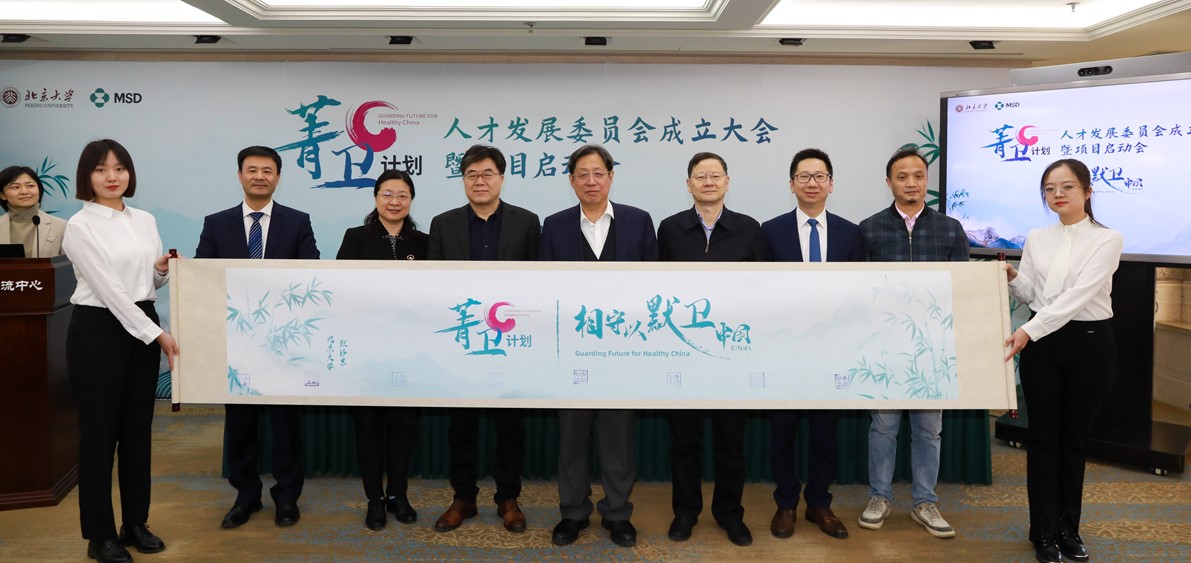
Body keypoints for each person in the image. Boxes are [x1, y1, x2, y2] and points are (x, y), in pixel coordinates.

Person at [61, 139, 179, 563]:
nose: (112, 177)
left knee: (136, 433)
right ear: (87, 176)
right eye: (101, 169)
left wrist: (160, 271)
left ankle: (135, 524)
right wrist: (158, 334)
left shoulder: (145, 219)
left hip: (141, 321)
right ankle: (99, 536)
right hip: (99, 330)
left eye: (119, 168)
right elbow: (110, 291)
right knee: (99, 436)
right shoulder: (79, 226)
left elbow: (145, 284)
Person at [1003, 158, 1121, 563]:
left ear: (1087, 191)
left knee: (1073, 442)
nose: (1057, 194)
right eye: (1050, 188)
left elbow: (1077, 297)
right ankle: (1043, 532)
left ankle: (1069, 529)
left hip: (1089, 344)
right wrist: (1012, 277)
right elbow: (1031, 294)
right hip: (1043, 347)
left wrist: (1028, 330)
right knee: (1043, 440)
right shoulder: (1037, 237)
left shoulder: (1108, 239)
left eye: (1067, 186)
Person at [195, 146, 320, 529]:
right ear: (240, 175)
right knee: (241, 425)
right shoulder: (216, 223)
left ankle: (287, 498)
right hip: (236, 344)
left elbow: (311, 275)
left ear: (277, 177)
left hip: (282, 344)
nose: (260, 176)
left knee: (285, 425)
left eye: (268, 170)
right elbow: (202, 277)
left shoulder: (297, 221)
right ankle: (245, 496)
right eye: (252, 170)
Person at [540, 144, 657, 548]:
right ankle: (572, 512)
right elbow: (545, 292)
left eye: (598, 173)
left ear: (611, 177)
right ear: (571, 181)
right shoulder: (554, 225)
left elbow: (653, 287)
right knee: (572, 435)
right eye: (582, 174)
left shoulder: (639, 221)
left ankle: (617, 513)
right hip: (571, 350)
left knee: (617, 435)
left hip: (622, 351)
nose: (591, 181)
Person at [426, 144, 540, 534]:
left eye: (487, 173)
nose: (480, 181)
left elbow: (537, 284)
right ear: (463, 180)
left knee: (511, 425)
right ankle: (464, 497)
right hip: (462, 341)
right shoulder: (444, 224)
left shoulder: (527, 222)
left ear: (501, 178)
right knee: (462, 425)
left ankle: (508, 497)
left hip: (510, 342)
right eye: (471, 174)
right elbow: (433, 285)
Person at [857, 147, 968, 539]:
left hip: (933, 349)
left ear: (927, 181)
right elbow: (859, 293)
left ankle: (925, 501)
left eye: (918, 175)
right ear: (889, 182)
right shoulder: (868, 228)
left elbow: (961, 289)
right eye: (902, 176)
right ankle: (879, 496)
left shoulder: (950, 229)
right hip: (885, 348)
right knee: (883, 427)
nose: (911, 183)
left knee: (928, 430)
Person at [657, 152, 765, 547]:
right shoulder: (670, 229)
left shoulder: (749, 229)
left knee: (730, 443)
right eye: (700, 176)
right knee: (684, 441)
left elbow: (761, 291)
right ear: (688, 184)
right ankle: (685, 512)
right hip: (682, 351)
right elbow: (657, 288)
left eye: (715, 175)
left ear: (727, 182)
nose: (708, 182)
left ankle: (729, 513)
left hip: (731, 353)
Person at [762, 148, 864, 541]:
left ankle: (819, 502)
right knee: (782, 433)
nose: (812, 183)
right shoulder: (770, 231)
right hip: (785, 351)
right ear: (791, 184)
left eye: (820, 176)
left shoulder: (850, 233)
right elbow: (759, 292)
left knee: (825, 435)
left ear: (831, 184)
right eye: (803, 176)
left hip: (831, 352)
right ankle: (786, 503)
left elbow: (859, 294)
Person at [336, 169, 427, 530]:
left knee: (404, 428)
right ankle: (374, 499)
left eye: (402, 195)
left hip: (410, 353)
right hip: (366, 353)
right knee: (368, 429)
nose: (394, 201)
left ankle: (398, 495)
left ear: (411, 200)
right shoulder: (355, 238)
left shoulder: (423, 242)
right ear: (375, 198)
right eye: (387, 194)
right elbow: (340, 290)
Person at [1, 165, 67, 257]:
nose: (24, 191)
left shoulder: (61, 226)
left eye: (30, 186)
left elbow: (70, 263)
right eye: (15, 187)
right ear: (2, 195)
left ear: (39, 190)